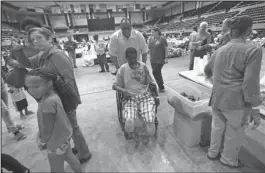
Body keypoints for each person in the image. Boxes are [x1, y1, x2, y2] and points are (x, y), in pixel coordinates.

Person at [10, 27, 92, 163]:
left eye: (39, 38)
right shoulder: (43, 55)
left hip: (64, 98)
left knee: (73, 126)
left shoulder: (56, 55)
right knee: (68, 126)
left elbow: (69, 80)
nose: (35, 41)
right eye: (33, 40)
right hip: (55, 97)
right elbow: (27, 63)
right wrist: (19, 51)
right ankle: (78, 147)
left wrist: (68, 102)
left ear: (49, 38)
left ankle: (84, 153)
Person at [204, 16, 263, 168]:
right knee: (233, 132)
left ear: (231, 32)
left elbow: (207, 70)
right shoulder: (253, 50)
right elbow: (250, 83)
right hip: (236, 101)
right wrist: (255, 109)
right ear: (248, 32)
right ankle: (228, 159)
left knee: (217, 128)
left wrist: (215, 79)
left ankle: (212, 152)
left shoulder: (219, 50)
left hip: (217, 97)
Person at [25, 68, 82, 173]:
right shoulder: (53, 96)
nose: (31, 91)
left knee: (56, 168)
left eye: (36, 86)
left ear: (49, 84)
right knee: (69, 156)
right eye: (28, 87)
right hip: (64, 136)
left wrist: (43, 141)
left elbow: (47, 127)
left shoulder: (47, 102)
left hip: (54, 141)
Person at [112, 47, 158, 138]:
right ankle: (129, 125)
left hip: (145, 96)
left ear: (137, 56)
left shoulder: (143, 66)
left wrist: (155, 93)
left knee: (150, 126)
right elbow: (114, 86)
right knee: (129, 121)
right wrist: (124, 90)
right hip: (130, 98)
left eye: (135, 58)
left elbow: (151, 82)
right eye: (130, 58)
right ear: (126, 58)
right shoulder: (123, 69)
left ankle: (148, 119)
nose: (133, 60)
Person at [148, 28, 168, 92]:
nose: (152, 33)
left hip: (160, 59)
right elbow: (149, 47)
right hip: (152, 59)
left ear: (157, 32)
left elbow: (166, 48)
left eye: (153, 32)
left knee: (155, 71)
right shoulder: (151, 39)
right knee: (156, 72)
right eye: (151, 32)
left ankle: (161, 86)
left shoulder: (162, 39)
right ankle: (160, 87)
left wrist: (166, 57)